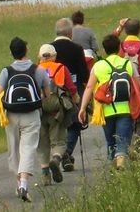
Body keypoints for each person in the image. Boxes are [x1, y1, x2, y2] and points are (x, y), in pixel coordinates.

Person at [0, 37, 50, 202]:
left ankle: (19, 183)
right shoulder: (38, 70)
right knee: (28, 147)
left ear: (11, 53)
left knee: (13, 148)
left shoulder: (6, 71)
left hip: (11, 114)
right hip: (31, 114)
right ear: (26, 50)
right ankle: (24, 184)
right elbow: (47, 94)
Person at [77, 34, 136, 168]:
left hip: (106, 110)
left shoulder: (99, 66)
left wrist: (82, 108)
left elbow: (89, 87)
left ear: (104, 50)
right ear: (119, 47)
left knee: (111, 141)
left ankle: (113, 163)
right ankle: (120, 158)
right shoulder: (127, 64)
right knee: (122, 139)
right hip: (125, 108)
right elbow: (136, 86)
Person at [50, 18, 88, 172]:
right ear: (70, 32)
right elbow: (84, 75)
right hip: (73, 91)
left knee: (57, 125)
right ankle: (66, 153)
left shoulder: (49, 49)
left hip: (52, 93)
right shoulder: (77, 48)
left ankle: (59, 155)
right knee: (74, 124)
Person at [36, 44, 77, 186]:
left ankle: (45, 175)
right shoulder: (61, 68)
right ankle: (56, 159)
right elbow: (72, 89)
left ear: (40, 57)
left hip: (39, 111)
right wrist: (77, 104)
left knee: (42, 144)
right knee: (59, 141)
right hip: (57, 111)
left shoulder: (35, 70)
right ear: (54, 56)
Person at [116, 18, 140, 153]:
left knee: (126, 118)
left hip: (122, 87)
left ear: (125, 30)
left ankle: (124, 148)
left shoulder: (119, 46)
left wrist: (118, 28)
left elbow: (108, 42)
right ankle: (137, 145)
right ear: (139, 30)